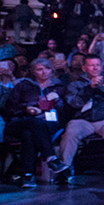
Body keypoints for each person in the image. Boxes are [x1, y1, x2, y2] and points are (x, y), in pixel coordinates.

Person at [4, 58, 71, 186]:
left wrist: (57, 101)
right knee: (33, 124)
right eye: (39, 69)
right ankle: (51, 158)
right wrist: (26, 109)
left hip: (49, 123)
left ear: (52, 71)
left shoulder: (59, 87)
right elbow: (10, 108)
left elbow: (67, 111)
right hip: (22, 121)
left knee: (29, 134)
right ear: (33, 72)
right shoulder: (23, 86)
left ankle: (28, 175)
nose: (44, 72)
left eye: (47, 68)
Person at [59, 55, 104, 178]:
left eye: (97, 65)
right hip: (83, 119)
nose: (95, 68)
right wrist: (89, 88)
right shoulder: (75, 85)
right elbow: (75, 104)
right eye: (91, 65)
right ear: (84, 68)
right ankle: (64, 168)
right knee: (71, 132)